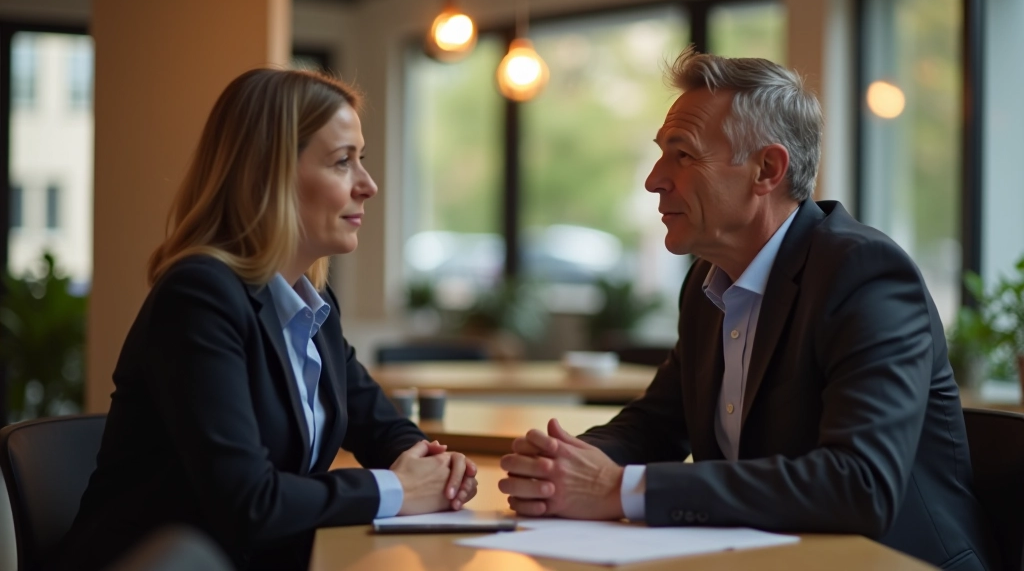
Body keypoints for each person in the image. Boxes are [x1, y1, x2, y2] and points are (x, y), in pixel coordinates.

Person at [498, 47, 997, 571]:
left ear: (767, 168)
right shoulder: (707, 284)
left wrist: (619, 488)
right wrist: (566, 465)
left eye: (683, 155)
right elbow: (656, 425)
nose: (655, 179)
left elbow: (859, 484)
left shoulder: (864, 274)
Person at [55, 68, 478, 571]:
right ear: (268, 175)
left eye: (360, 160)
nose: (369, 185)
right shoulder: (198, 296)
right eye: (343, 162)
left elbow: (379, 425)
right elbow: (249, 503)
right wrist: (399, 487)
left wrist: (432, 465)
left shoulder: (312, 304)